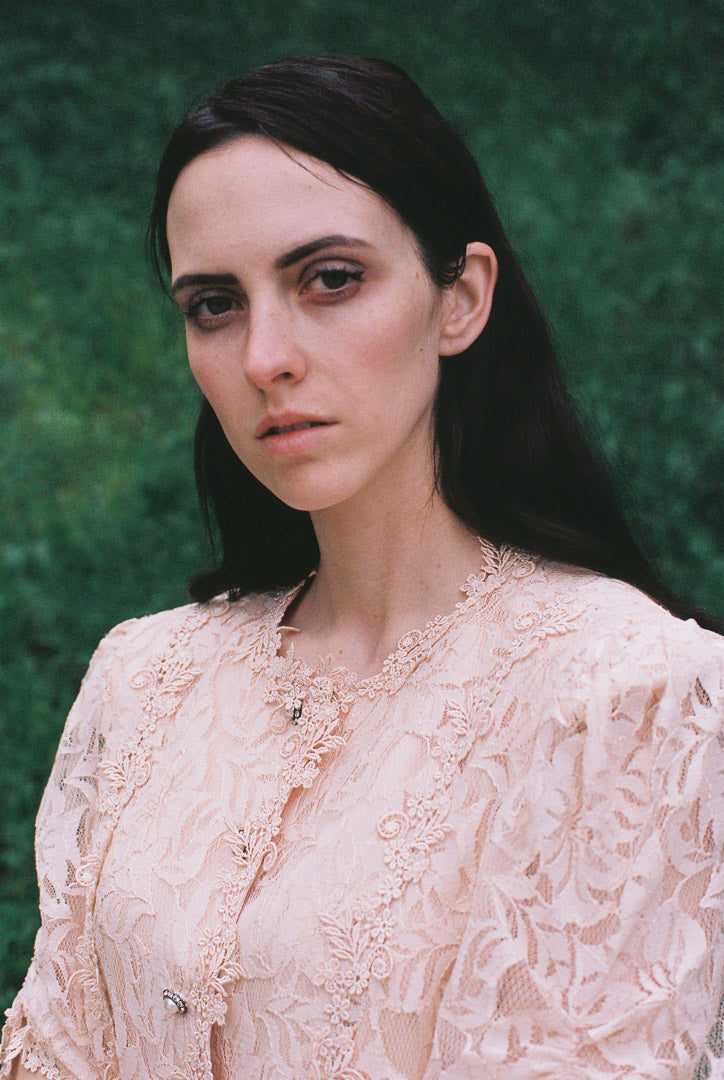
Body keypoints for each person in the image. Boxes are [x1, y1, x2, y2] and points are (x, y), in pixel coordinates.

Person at [1, 55, 722, 1080]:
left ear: (460, 298)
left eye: (328, 279)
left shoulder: (628, 698)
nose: (264, 357)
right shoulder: (145, 677)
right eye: (213, 303)